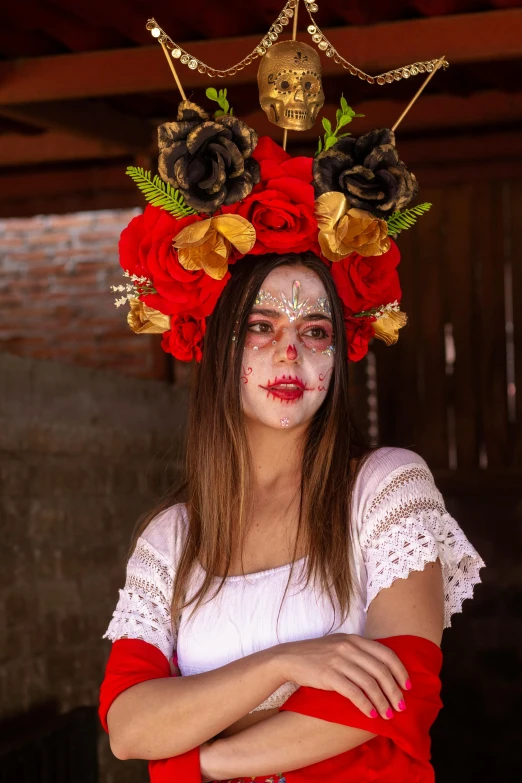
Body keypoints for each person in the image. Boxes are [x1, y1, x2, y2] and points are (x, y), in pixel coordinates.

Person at [99, 98, 485, 783]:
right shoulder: (172, 537)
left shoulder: (385, 489)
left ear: (339, 354)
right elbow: (130, 726)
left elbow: (401, 694)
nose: (290, 355)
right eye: (261, 326)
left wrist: (203, 756)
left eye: (314, 332)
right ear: (220, 347)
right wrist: (287, 662)